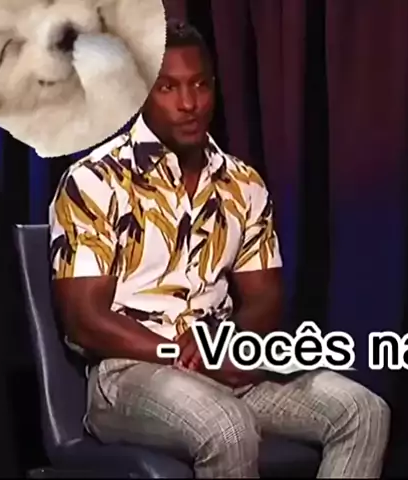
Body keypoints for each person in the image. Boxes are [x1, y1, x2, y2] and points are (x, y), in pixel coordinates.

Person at [48, 19, 390, 478]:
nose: (188, 103)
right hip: (129, 375)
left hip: (221, 362)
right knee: (227, 427)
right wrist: (180, 355)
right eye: (168, 87)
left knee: (363, 413)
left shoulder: (242, 183)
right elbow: (85, 319)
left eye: (200, 85)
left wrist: (227, 344)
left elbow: (265, 297)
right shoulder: (94, 181)